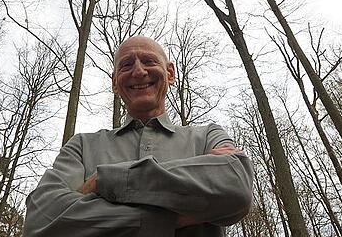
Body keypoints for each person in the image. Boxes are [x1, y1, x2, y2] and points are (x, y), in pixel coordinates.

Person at [24, 36, 254, 236]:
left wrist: (105, 181)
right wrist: (169, 218)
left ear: (170, 73)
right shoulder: (82, 146)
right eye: (126, 65)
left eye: (148, 61)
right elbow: (41, 221)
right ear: (114, 82)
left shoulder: (207, 135)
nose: (138, 71)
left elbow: (236, 186)